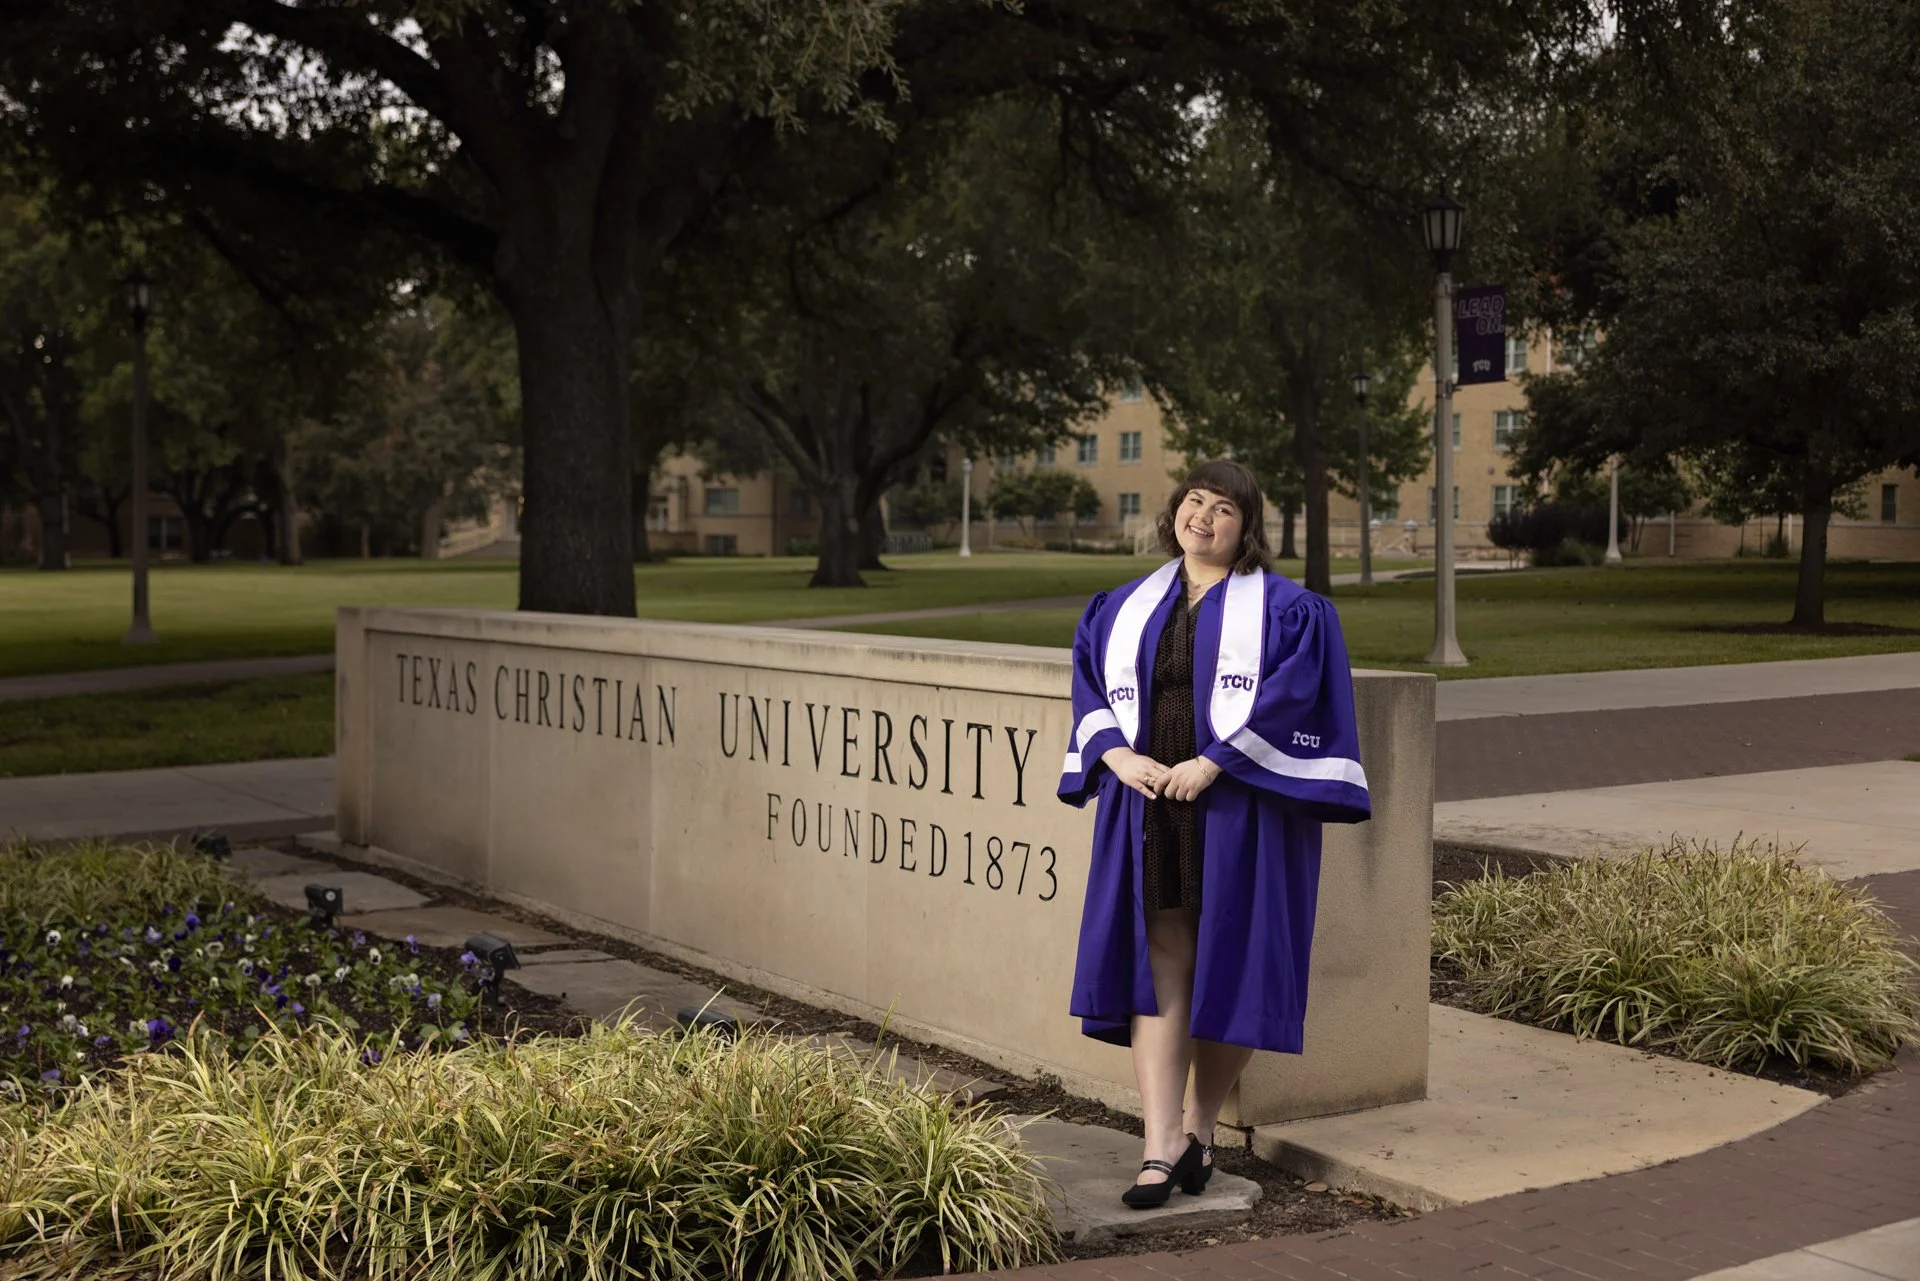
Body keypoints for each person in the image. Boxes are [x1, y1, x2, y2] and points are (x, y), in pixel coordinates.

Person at [1056, 459, 1371, 1209]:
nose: (1203, 516)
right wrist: (1119, 754)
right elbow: (1088, 683)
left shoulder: (1291, 612)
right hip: (1150, 805)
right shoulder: (1123, 606)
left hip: (1241, 808)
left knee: (1232, 960)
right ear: (1174, 514)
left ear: (1247, 527)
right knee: (1160, 955)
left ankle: (1201, 1126)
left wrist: (1214, 762)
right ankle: (1159, 1142)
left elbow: (1297, 696)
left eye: (1223, 507)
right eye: (1194, 501)